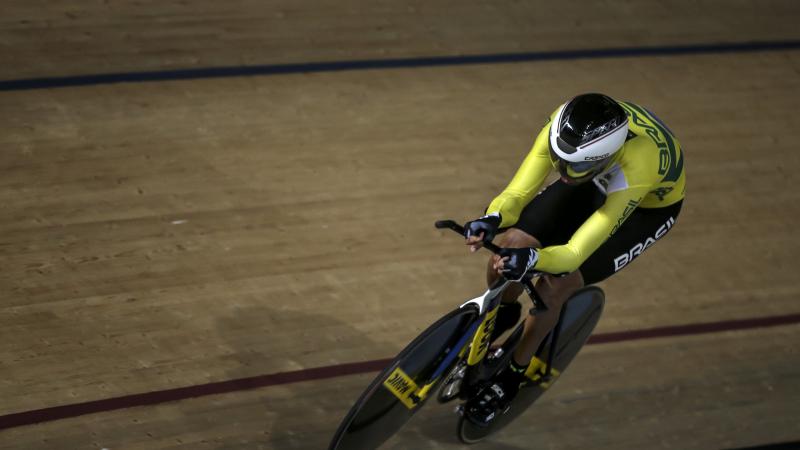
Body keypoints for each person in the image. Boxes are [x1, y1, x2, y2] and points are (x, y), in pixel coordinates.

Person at [462, 93, 685, 425]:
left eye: (573, 166)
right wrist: (492, 218)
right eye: (558, 159)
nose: (563, 172)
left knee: (556, 284)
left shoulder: (637, 168)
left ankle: (513, 373)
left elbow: (573, 254)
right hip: (596, 173)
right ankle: (506, 312)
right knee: (511, 242)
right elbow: (517, 193)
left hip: (646, 209)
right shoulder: (564, 129)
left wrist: (534, 259)